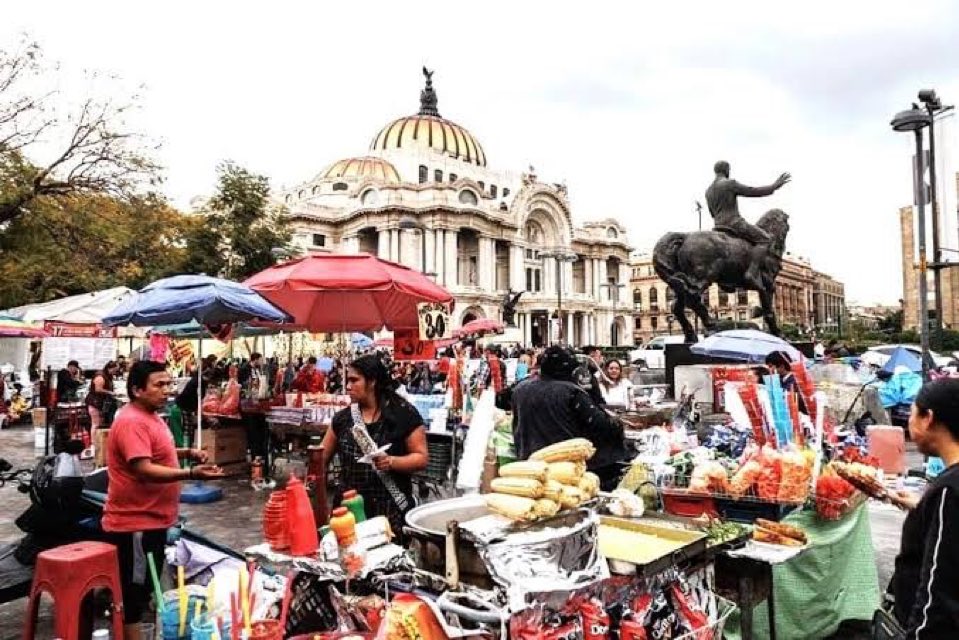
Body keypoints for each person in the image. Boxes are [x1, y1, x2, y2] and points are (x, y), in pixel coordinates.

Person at [103, 361, 223, 640]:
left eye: (169, 384)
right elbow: (143, 468)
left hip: (153, 520)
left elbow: (157, 450)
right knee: (134, 595)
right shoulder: (131, 421)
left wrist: (187, 452)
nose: (167, 390)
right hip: (135, 524)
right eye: (159, 385)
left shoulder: (151, 416)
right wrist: (190, 473)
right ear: (137, 390)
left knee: (145, 588)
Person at [319, 354, 428, 537]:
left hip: (390, 512)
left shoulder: (403, 414)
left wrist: (392, 462)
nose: (348, 386)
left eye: (354, 380)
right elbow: (320, 460)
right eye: (348, 380)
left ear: (372, 382)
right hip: (349, 512)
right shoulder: (342, 420)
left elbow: (421, 457)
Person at [887, 378, 959, 638]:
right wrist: (922, 509)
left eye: (912, 413)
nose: (909, 422)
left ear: (928, 418)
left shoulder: (949, 491)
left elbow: (938, 590)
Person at [512, 346, 628, 491]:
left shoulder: (520, 389)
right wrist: (618, 425)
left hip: (528, 464)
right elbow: (601, 424)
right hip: (564, 470)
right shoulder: (571, 392)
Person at [705, 160, 790, 284]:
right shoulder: (729, 184)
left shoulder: (708, 191)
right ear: (726, 169)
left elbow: (712, 213)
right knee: (765, 239)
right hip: (734, 223)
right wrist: (774, 186)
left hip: (718, 226)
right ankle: (752, 271)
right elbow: (752, 191)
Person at [86, 360, 119, 443]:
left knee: (99, 423)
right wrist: (110, 392)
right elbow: (98, 389)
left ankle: (98, 442)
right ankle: (93, 442)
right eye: (114, 370)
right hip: (94, 402)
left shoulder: (107, 376)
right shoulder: (100, 376)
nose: (115, 372)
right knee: (95, 423)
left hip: (99, 403)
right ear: (109, 368)